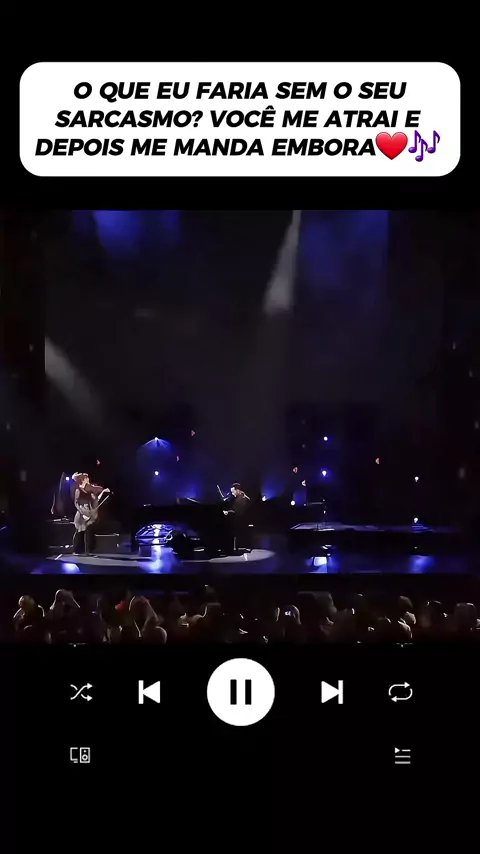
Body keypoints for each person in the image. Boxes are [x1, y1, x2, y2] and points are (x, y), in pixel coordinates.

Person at [71, 472, 110, 555]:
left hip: (88, 513)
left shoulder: (89, 490)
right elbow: (76, 503)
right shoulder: (78, 490)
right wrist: (82, 514)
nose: (88, 479)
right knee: (79, 531)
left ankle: (88, 550)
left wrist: (103, 492)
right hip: (81, 514)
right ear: (82, 480)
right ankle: (76, 550)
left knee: (87, 532)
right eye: (86, 478)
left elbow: (96, 500)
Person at [220, 483, 251, 553]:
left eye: (233, 491)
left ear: (237, 490)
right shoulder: (239, 498)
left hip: (241, 521)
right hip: (239, 519)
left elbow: (238, 512)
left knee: (226, 527)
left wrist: (227, 512)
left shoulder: (242, 499)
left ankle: (228, 548)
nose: (232, 493)